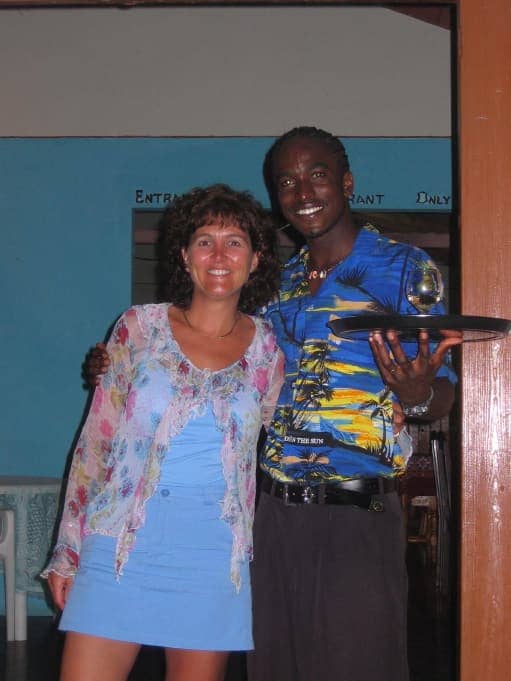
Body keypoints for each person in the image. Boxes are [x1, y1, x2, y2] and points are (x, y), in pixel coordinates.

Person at [86, 127, 462, 681]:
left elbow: (443, 392)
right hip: (272, 516)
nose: (302, 190)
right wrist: (125, 367)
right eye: (286, 180)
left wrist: (418, 394)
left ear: (347, 182)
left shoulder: (404, 268)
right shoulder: (277, 284)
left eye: (317, 174)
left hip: (356, 516)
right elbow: (231, 368)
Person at [42, 183, 284, 681]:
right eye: (204, 240)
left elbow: (288, 433)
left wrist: (389, 413)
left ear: (255, 259)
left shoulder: (267, 350)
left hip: (212, 554)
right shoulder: (138, 328)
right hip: (119, 544)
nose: (219, 254)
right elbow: (96, 443)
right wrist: (67, 551)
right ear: (184, 255)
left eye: (234, 241)